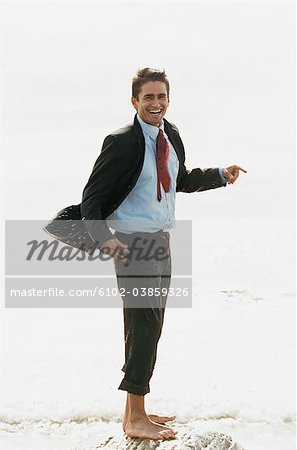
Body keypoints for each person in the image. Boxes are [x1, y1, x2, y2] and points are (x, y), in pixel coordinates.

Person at [80, 68, 247, 441]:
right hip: (132, 244)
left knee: (149, 328)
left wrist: (220, 174)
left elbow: (181, 179)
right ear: (134, 101)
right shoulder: (120, 142)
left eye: (161, 97)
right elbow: (91, 198)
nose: (156, 104)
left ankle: (135, 412)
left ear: (168, 99)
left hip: (161, 242)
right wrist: (103, 239)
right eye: (148, 97)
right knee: (142, 327)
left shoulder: (170, 134)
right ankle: (134, 418)